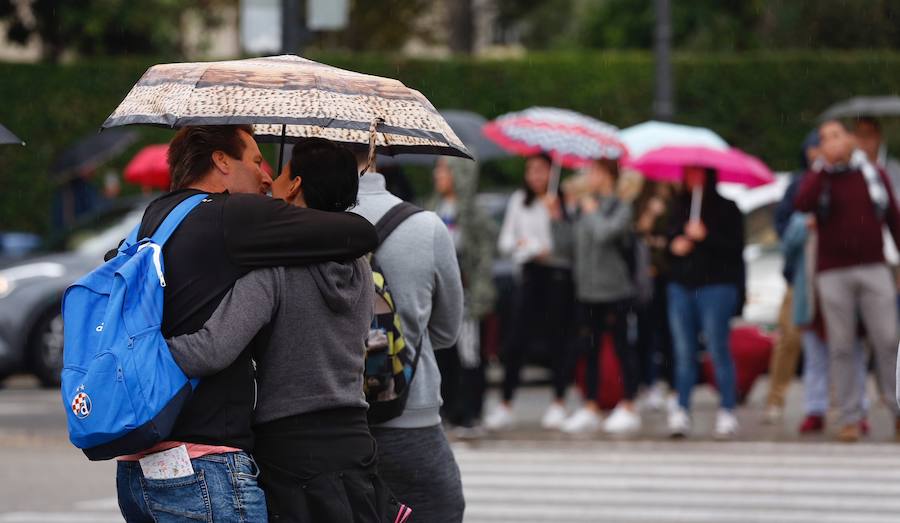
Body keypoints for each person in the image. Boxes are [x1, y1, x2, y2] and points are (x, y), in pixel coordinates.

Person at [114, 126, 378, 523]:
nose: (269, 177)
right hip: (355, 435)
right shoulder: (359, 265)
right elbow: (361, 235)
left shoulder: (161, 218)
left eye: (280, 171)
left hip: (288, 447)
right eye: (257, 161)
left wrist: (136, 358)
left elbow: (214, 347)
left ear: (295, 188)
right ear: (221, 160)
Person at [352, 150, 466, 523]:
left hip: (331, 423)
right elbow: (448, 332)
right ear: (376, 154)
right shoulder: (426, 226)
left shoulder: (300, 223)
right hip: (409, 416)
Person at [794, 119, 900, 443]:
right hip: (832, 271)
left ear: (850, 140)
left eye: (836, 135)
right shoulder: (821, 178)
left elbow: (893, 216)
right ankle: (851, 417)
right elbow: (802, 204)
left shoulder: (871, 175)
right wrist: (821, 167)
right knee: (841, 345)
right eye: (825, 138)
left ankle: (896, 409)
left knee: (888, 339)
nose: (831, 142)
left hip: (873, 266)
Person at [548, 158, 641, 435]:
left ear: (608, 176)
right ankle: (591, 404)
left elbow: (605, 235)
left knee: (623, 348)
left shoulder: (621, 207)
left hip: (614, 290)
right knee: (590, 349)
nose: (590, 177)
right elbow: (566, 248)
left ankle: (629, 403)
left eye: (595, 172)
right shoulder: (584, 207)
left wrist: (592, 212)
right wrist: (557, 220)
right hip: (586, 291)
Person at [486, 153, 575, 431]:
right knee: (515, 341)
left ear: (551, 173)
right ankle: (506, 403)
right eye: (531, 170)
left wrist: (557, 217)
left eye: (541, 170)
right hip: (528, 273)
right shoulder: (518, 201)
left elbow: (569, 245)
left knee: (557, 340)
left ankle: (559, 401)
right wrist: (523, 244)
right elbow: (505, 241)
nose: (535, 176)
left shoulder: (561, 201)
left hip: (556, 276)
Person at [666, 167, 745, 439]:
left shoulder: (727, 208)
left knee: (717, 347)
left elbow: (735, 248)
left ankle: (727, 409)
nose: (693, 179)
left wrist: (707, 237)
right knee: (683, 351)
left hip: (716, 286)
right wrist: (675, 245)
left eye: (698, 174)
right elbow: (667, 243)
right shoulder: (678, 207)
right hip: (682, 286)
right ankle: (681, 408)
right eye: (689, 173)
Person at [427, 156, 497, 436]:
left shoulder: (474, 214)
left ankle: (471, 412)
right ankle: (448, 410)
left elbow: (483, 259)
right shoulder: (433, 207)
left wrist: (480, 293)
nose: (438, 174)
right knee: (442, 352)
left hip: (467, 295)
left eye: (443, 168)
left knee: (469, 354)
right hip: (440, 294)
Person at [762, 132, 821, 424]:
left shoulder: (839, 181)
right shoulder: (798, 184)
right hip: (799, 273)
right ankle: (775, 399)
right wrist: (801, 227)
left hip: (828, 270)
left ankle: (830, 405)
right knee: (789, 338)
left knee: (835, 340)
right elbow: (782, 225)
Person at [632, 181, 676, 412]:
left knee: (669, 335)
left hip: (668, 278)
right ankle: (647, 383)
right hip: (645, 280)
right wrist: (649, 214)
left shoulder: (677, 204)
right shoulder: (640, 202)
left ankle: (671, 385)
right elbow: (636, 234)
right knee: (645, 334)